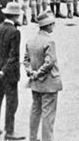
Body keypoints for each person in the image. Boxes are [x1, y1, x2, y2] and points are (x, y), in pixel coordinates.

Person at [0, 1, 24, 140]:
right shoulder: (14, 32)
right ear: (15, 16)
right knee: (11, 103)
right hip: (9, 75)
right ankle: (9, 131)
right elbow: (13, 56)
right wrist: (4, 71)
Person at [24, 12, 62, 141]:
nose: (53, 26)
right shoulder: (49, 41)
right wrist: (39, 73)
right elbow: (49, 62)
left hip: (35, 82)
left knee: (35, 110)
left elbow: (26, 60)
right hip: (48, 82)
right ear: (48, 25)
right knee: (48, 114)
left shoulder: (31, 40)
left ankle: (33, 138)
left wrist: (31, 72)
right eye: (52, 24)